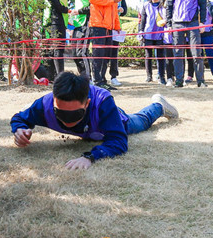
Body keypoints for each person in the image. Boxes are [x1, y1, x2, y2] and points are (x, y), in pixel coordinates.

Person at [10, 72, 179, 170]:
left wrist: (91, 157)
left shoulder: (103, 102)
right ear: (53, 102)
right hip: (91, 128)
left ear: (87, 103)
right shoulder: (44, 105)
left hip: (112, 121)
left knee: (141, 122)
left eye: (74, 114)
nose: (68, 122)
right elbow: (19, 118)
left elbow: (119, 141)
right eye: (60, 113)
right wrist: (19, 129)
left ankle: (158, 106)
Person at [166, 0, 208, 88]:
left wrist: (202, 22)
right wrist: (169, 24)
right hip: (177, 23)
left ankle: (200, 81)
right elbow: (169, 5)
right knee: (178, 53)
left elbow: (203, 4)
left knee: (196, 53)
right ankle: (179, 81)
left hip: (193, 22)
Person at [88, 0, 122, 88]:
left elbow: (114, 8)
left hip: (109, 26)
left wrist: (117, 25)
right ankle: (97, 81)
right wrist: (111, 0)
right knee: (98, 54)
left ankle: (102, 80)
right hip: (98, 24)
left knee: (106, 55)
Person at [41, 0, 69, 77]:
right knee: (58, 49)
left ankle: (51, 77)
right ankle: (60, 77)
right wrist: (64, 9)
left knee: (49, 50)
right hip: (56, 20)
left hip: (46, 21)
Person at [138, 0, 167, 84]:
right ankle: (149, 76)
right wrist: (141, 31)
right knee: (148, 56)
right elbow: (143, 19)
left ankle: (162, 76)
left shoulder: (163, 5)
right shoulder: (146, 5)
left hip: (160, 34)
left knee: (160, 56)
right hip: (148, 34)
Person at [67, 0, 91, 77]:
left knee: (82, 52)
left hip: (86, 22)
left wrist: (80, 11)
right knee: (74, 54)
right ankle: (82, 77)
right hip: (76, 24)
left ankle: (88, 78)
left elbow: (93, 6)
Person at [108, 0, 128, 86]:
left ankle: (114, 76)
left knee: (114, 53)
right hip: (106, 25)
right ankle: (100, 76)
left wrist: (122, 10)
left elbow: (125, 9)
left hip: (117, 27)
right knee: (104, 52)